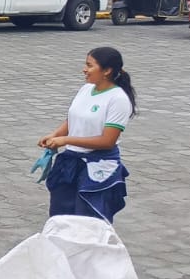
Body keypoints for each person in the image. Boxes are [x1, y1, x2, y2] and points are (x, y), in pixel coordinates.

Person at [38, 47, 134, 222]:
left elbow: (107, 141)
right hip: (70, 162)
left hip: (97, 166)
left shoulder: (118, 99)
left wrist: (65, 140)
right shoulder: (86, 89)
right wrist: (55, 134)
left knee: (88, 221)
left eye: (90, 65)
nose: (84, 69)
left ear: (107, 71)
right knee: (61, 217)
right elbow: (73, 119)